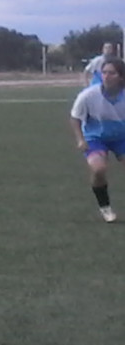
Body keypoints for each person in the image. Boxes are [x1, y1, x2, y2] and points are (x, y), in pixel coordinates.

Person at [70, 57, 125, 223]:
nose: (106, 76)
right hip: (95, 137)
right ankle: (105, 207)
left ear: (121, 77)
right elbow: (75, 118)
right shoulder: (88, 95)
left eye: (111, 73)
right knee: (98, 169)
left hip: (121, 136)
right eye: (104, 72)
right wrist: (80, 139)